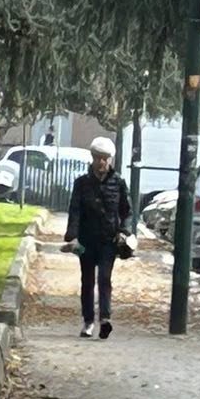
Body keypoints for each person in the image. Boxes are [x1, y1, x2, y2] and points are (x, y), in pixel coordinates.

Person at [64, 135, 130, 338]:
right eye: (98, 158)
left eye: (105, 158)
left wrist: (124, 232)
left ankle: (105, 319)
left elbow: (126, 211)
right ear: (92, 158)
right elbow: (74, 210)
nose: (101, 162)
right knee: (87, 280)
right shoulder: (81, 183)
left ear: (110, 160)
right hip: (86, 240)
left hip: (108, 240)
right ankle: (88, 320)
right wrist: (72, 237)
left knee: (104, 279)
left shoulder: (119, 183)